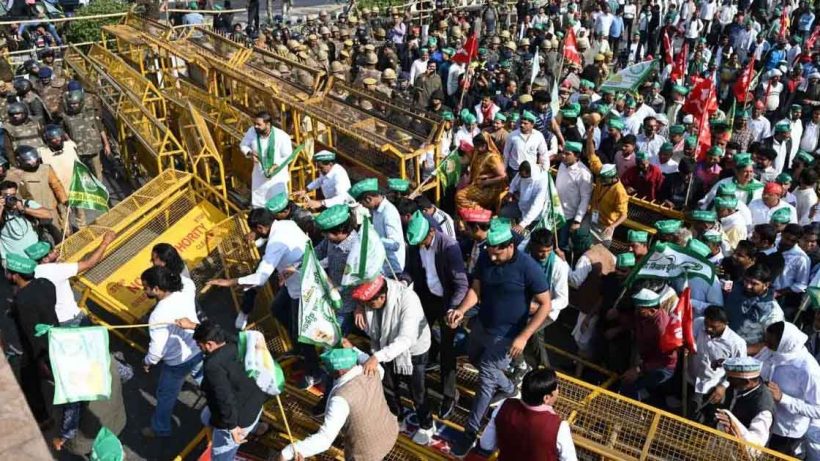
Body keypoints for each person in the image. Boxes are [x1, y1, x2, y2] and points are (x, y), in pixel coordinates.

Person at [446, 219, 552, 457]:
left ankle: (470, 431)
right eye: (490, 254)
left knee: (485, 376)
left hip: (507, 334)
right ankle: (509, 385)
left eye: (497, 254)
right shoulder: (486, 257)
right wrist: (461, 311)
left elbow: (546, 304)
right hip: (483, 325)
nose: (492, 259)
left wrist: (524, 336)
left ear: (509, 246)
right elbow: (476, 289)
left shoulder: (528, 268)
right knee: (473, 358)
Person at [351, 275, 435, 445]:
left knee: (417, 390)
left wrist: (377, 357)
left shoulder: (408, 300)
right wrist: (359, 307)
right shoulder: (375, 296)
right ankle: (397, 417)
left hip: (413, 350)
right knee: (388, 385)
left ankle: (426, 424)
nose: (368, 308)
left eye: (369, 304)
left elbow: (406, 339)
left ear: (382, 297)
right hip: (384, 343)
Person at [277, 347, 399, 461]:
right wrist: (353, 349)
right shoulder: (373, 369)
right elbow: (367, 359)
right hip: (391, 432)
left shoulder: (340, 399)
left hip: (366, 454)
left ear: (336, 372)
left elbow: (325, 439)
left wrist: (288, 452)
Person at [403, 211, 467, 419]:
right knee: (420, 334)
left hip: (447, 302)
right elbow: (409, 270)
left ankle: (449, 394)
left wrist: (454, 308)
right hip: (426, 297)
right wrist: (404, 281)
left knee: (448, 350)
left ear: (432, 231)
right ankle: (429, 357)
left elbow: (461, 284)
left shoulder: (449, 247)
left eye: (423, 241)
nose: (420, 245)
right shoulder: (414, 243)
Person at [184, 320, 269, 461]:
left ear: (209, 344)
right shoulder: (236, 344)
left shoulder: (213, 365)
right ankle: (255, 428)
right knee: (205, 417)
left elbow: (224, 397)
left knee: (221, 455)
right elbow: (222, 334)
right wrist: (195, 326)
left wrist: (232, 427)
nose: (200, 349)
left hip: (237, 419)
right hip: (254, 404)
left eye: (200, 346)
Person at [140, 266, 202, 438]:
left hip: (176, 364)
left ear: (156, 289)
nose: (143, 290)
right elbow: (187, 281)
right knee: (208, 383)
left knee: (166, 396)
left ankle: (160, 428)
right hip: (197, 348)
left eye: (145, 287)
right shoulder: (187, 287)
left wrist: (147, 362)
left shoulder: (157, 315)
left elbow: (156, 351)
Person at [478, 368, 578, 460]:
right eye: (556, 388)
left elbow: (486, 444)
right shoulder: (559, 427)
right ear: (546, 398)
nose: (558, 391)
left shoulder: (504, 405)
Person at [25, 231, 115, 327]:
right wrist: (105, 242)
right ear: (45, 259)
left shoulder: (31, 272)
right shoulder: (57, 270)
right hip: (72, 319)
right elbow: (89, 263)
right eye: (51, 252)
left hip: (54, 320)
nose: (56, 251)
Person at [8, 253, 57, 426]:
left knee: (30, 381)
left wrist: (39, 360)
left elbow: (31, 333)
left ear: (15, 276)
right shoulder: (46, 284)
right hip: (56, 336)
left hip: (37, 347)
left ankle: (43, 418)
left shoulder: (22, 300)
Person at [758, 321, 820, 458]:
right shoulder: (772, 351)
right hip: (765, 421)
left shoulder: (808, 370)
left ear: (784, 345)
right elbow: (757, 364)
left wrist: (782, 398)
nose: (766, 346)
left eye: (770, 343)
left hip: (786, 433)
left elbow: (818, 410)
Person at [686, 306, 747, 425]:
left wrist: (723, 386)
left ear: (725, 324)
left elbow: (738, 370)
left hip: (711, 386)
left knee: (702, 419)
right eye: (706, 324)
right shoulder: (698, 323)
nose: (708, 328)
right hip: (690, 379)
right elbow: (689, 339)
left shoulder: (736, 343)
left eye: (714, 327)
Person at [620, 286, 678, 404]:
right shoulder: (642, 316)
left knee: (633, 389)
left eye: (640, 309)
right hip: (646, 360)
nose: (636, 311)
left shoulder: (662, 328)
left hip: (662, 368)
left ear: (652, 310)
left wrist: (639, 369)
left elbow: (666, 359)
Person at [724, 263, 784, 356]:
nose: (748, 286)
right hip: (723, 347)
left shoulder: (772, 311)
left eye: (754, 283)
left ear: (766, 285)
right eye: (746, 281)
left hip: (747, 357)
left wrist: (741, 351)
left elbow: (773, 343)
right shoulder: (735, 290)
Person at [714, 357, 775, 448]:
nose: (728, 381)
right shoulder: (740, 386)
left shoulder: (763, 409)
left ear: (747, 382)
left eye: (731, 379)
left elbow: (755, 446)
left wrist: (734, 427)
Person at [349, 178, 405, 275]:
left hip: (393, 269)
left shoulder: (388, 212)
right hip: (381, 265)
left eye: (363, 204)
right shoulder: (375, 211)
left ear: (368, 199)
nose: (364, 207)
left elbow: (395, 244)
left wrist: (372, 240)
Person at [239, 111, 294, 208]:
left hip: (277, 178)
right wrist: (250, 153)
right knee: (259, 207)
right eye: (254, 123)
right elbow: (243, 145)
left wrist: (276, 165)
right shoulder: (252, 131)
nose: (255, 126)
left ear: (268, 124)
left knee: (278, 206)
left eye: (258, 124)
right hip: (259, 178)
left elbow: (288, 157)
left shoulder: (282, 136)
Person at [0, 180, 56, 262]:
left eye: (12, 195)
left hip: (35, 255)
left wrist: (23, 209)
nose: (10, 198)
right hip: (14, 263)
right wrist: (1, 208)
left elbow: (48, 215)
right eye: (6, 196)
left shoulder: (24, 203)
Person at [555, 141, 593, 252]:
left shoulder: (584, 173)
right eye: (563, 153)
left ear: (577, 156)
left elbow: (585, 198)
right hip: (556, 212)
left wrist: (577, 221)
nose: (563, 156)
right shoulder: (562, 165)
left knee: (563, 245)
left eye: (567, 154)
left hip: (569, 217)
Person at [455, 133, 508, 212]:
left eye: (479, 146)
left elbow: (503, 176)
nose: (477, 148)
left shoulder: (492, 158)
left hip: (489, 188)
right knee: (458, 192)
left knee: (460, 196)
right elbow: (465, 159)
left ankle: (483, 212)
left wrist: (486, 182)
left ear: (486, 145)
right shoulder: (477, 152)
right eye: (476, 146)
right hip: (477, 184)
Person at [504, 161, 548, 233]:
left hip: (534, 215)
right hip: (521, 206)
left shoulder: (541, 182)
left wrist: (522, 224)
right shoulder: (522, 173)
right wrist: (510, 193)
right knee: (503, 212)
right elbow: (514, 182)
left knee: (530, 234)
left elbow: (537, 206)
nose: (521, 177)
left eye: (523, 176)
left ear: (529, 174)